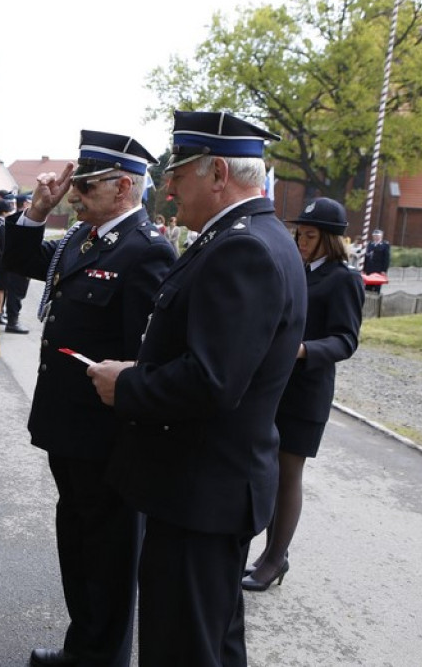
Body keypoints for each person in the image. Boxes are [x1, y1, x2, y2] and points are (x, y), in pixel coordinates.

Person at [87, 111, 306, 667]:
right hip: (207, 487)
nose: (167, 185)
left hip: (200, 490)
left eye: (179, 171)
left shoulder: (244, 248)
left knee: (180, 647)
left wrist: (129, 384)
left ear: (218, 175)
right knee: (211, 643)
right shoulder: (254, 236)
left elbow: (212, 380)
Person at [3, 130, 177, 667]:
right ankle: (84, 646)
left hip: (106, 434)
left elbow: (145, 355)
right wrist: (36, 210)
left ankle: (103, 657)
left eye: (86, 185)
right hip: (67, 425)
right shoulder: (87, 236)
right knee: (77, 542)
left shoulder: (146, 249)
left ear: (124, 186)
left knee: (108, 552)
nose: (74, 194)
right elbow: (20, 257)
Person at [243, 198, 364, 593]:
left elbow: (346, 340)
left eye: (310, 236)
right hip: (277, 385)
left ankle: (275, 558)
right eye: (299, 233)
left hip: (307, 391)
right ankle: (267, 554)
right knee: (268, 470)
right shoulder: (296, 268)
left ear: (329, 240)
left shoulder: (343, 278)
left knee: (287, 475)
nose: (301, 241)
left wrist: (303, 349)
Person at [3, 191, 33, 335]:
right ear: (26, 204)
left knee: (18, 292)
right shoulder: (17, 219)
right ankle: (12, 322)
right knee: (16, 293)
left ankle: (13, 320)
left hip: (24, 263)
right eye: (31, 201)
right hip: (18, 264)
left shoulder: (25, 218)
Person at [0, 190, 15, 324]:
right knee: (0, 288)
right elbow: (2, 245)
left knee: (0, 288)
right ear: (5, 211)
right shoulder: (1, 224)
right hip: (0, 260)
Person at [362, 228, 390, 293]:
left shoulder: (385, 245)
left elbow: (386, 259)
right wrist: (364, 269)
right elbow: (366, 257)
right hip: (369, 268)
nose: (376, 237)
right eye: (374, 235)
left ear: (381, 236)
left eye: (377, 235)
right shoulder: (370, 244)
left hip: (378, 269)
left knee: (377, 287)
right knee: (368, 287)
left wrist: (384, 270)